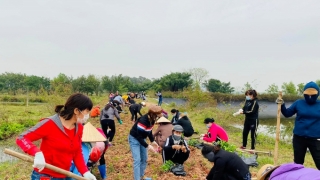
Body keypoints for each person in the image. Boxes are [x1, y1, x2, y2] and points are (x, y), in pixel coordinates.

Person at [16, 93, 96, 180]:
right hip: (45, 176)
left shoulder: (79, 127)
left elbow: (76, 152)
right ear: (76, 111)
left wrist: (85, 172)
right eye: (87, 111)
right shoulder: (50, 123)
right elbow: (22, 138)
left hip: (64, 175)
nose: (88, 115)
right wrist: (36, 152)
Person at [277, 81, 320, 169]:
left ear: (318, 93)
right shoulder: (299, 103)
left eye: (312, 94)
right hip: (299, 138)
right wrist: (282, 105)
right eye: (307, 94)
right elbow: (287, 113)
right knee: (298, 163)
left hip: (316, 139)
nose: (310, 96)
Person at [128, 105, 162, 180]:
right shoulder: (143, 121)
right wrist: (148, 146)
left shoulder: (152, 120)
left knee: (144, 159)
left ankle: (141, 176)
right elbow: (138, 136)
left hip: (142, 139)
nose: (158, 118)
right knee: (137, 160)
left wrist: (153, 141)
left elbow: (149, 131)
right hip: (134, 139)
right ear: (153, 114)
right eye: (157, 116)